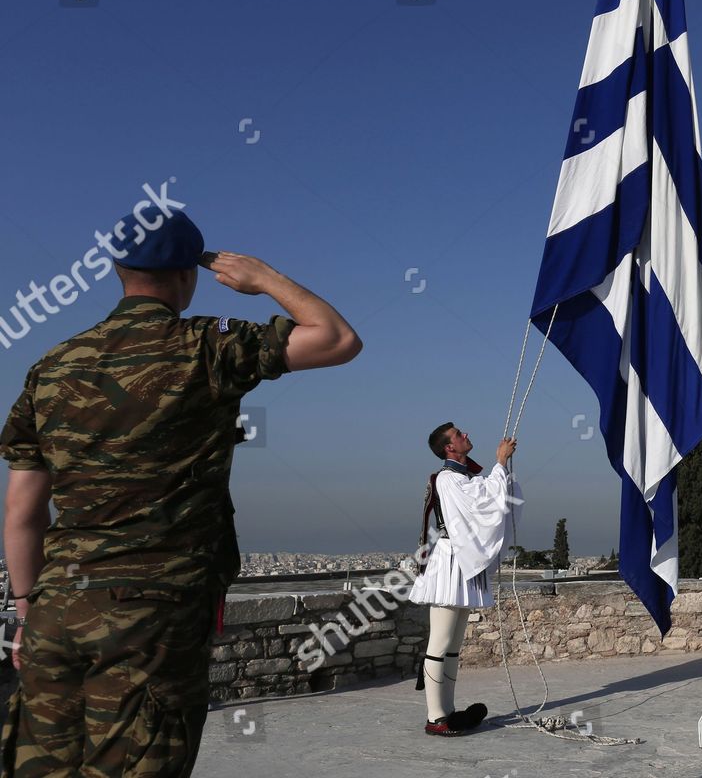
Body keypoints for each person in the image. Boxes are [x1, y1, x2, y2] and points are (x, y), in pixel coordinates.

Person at [0, 209, 361, 776]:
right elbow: (337, 338)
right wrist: (264, 277)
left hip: (56, 611)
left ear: (117, 269)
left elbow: (22, 512)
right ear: (188, 275)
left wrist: (29, 608)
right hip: (152, 620)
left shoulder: (51, 367)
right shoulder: (206, 345)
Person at [408, 423, 522, 737]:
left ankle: (447, 711)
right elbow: (479, 502)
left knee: (454, 645)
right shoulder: (448, 478)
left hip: (461, 564)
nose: (466, 435)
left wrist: (502, 470)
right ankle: (435, 717)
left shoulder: (464, 478)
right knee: (440, 642)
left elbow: (487, 496)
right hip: (449, 563)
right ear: (449, 447)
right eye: (459, 435)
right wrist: (500, 463)